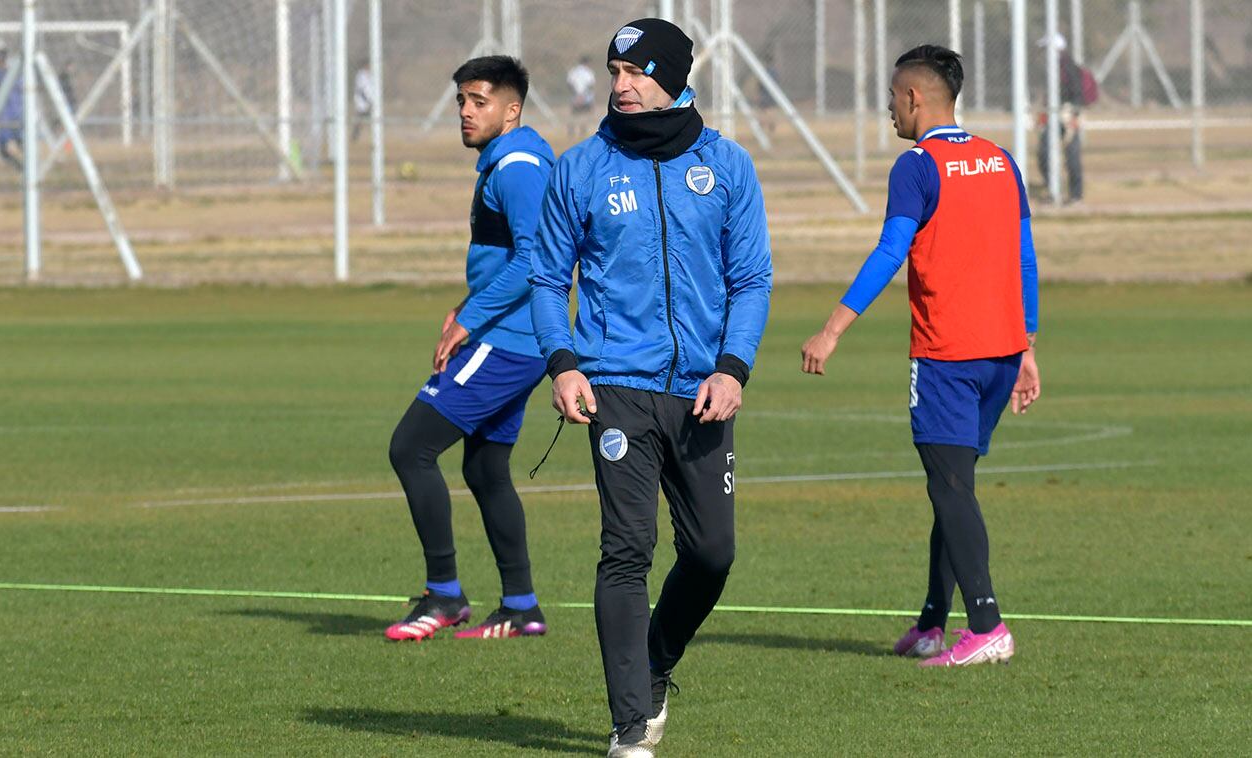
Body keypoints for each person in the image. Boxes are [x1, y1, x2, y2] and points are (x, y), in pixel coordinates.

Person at [531, 19, 772, 757]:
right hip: (616, 390)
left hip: (704, 390)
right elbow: (546, 277)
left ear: (671, 74)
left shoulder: (725, 166)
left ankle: (656, 661)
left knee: (712, 555)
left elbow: (751, 279)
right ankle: (630, 726)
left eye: (635, 71)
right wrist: (564, 361)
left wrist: (732, 368)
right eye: (614, 71)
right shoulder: (580, 169)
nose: (620, 85)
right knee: (625, 550)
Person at [800, 45, 1040, 668]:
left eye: (890, 96)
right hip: (1001, 354)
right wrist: (1029, 347)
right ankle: (934, 621)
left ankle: (986, 626)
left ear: (913, 97)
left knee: (951, 487)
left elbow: (889, 252)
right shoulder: (1000, 159)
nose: (887, 108)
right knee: (951, 486)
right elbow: (1024, 257)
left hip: (948, 356)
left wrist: (831, 329)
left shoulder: (916, 165)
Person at [385, 55, 555, 642]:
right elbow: (509, 257)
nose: (465, 111)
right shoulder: (508, 159)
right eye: (461, 100)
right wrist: (464, 307)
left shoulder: (518, 167)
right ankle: (521, 605)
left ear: (512, 109)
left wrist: (471, 319)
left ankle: (444, 595)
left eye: (479, 101)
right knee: (485, 468)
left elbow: (537, 262)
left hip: (509, 341)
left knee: (410, 447)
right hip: (510, 335)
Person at [1036, 33, 1085, 202]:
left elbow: (1078, 93)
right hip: (1052, 114)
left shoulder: (1069, 67)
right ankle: (1053, 190)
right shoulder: (1049, 69)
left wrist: (1074, 115)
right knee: (1044, 153)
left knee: (1072, 155)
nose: (1042, 53)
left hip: (1068, 113)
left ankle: (1075, 195)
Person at [0, 45, 24, 172]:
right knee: (19, 144)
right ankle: (26, 169)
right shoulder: (15, 74)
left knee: (5, 150)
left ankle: (24, 169)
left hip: (6, 117)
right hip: (16, 115)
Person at [565, 55, 596, 138]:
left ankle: (571, 130)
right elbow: (590, 85)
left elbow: (569, 83)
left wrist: (576, 94)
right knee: (584, 114)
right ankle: (583, 129)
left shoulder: (573, 71)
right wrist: (582, 95)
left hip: (574, 95)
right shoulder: (588, 72)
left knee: (574, 114)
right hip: (585, 96)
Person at [351, 59, 373, 142]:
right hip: (362, 101)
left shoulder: (368, 75)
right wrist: (367, 100)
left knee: (362, 119)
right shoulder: (361, 75)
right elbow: (361, 89)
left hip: (367, 100)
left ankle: (356, 135)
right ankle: (355, 136)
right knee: (360, 118)